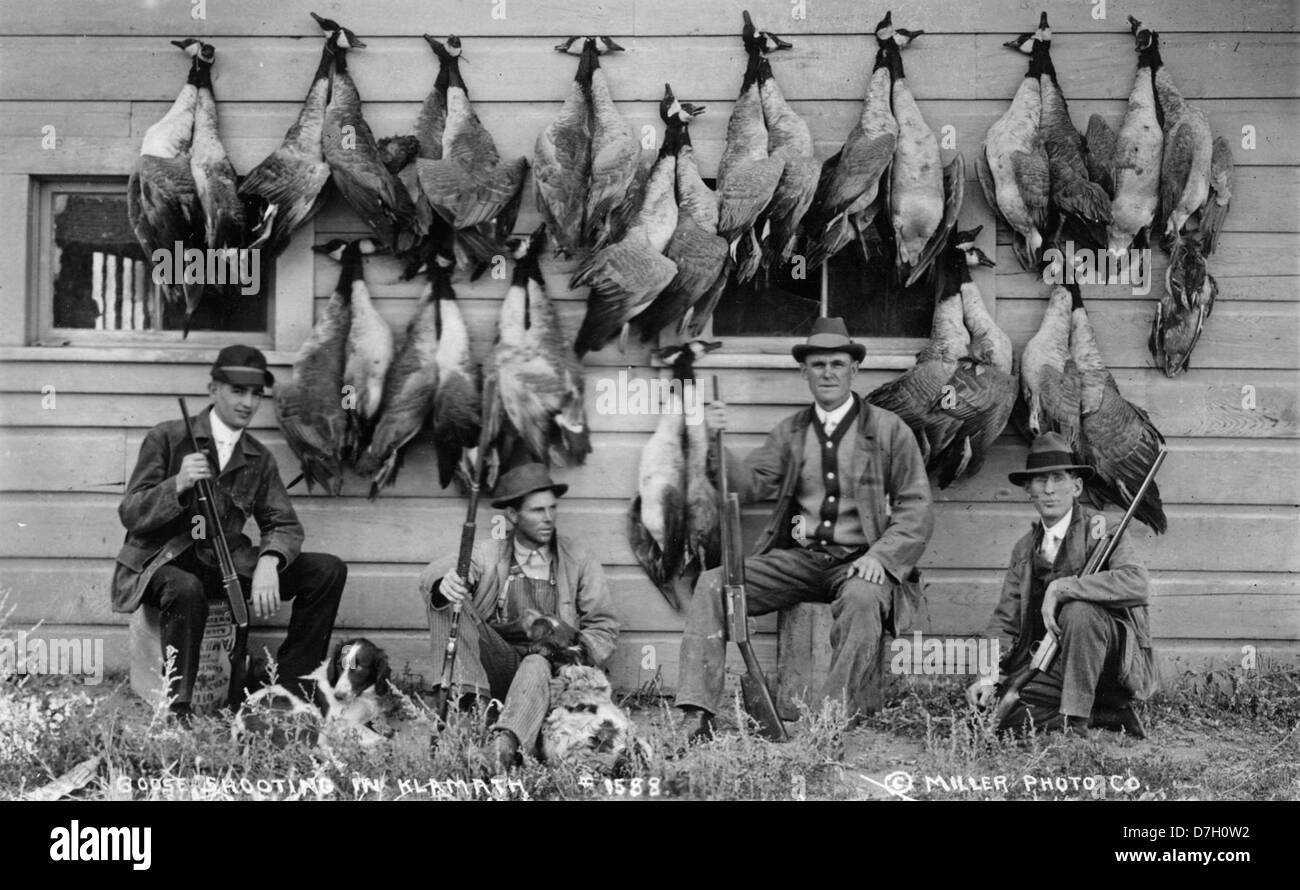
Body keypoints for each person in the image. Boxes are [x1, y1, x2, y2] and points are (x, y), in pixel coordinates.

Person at [678, 317, 934, 739]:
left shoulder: (889, 431)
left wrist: (881, 557)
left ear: (855, 370)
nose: (828, 372)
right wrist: (713, 441)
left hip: (859, 563)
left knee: (864, 602)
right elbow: (747, 485)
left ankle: (827, 724)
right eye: (818, 365)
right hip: (801, 561)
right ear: (804, 372)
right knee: (712, 585)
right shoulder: (792, 432)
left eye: (837, 363)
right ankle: (697, 714)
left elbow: (917, 507)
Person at [112, 345, 347, 722]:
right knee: (185, 589)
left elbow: (283, 523)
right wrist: (178, 484)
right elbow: (132, 513)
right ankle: (180, 709)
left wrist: (270, 561)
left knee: (327, 571)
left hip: (225, 561)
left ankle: (287, 690)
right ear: (213, 390)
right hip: (162, 561)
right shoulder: (167, 438)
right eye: (238, 391)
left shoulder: (257, 456)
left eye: (256, 394)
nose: (249, 403)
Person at [418, 463, 619, 768]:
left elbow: (603, 627)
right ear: (513, 515)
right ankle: (469, 713)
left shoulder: (579, 559)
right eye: (538, 511)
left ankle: (502, 748)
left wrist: (572, 652)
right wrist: (450, 580)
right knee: (447, 602)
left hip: (551, 677)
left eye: (553, 508)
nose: (549, 518)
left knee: (536, 662)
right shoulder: (490, 553)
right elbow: (444, 569)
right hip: (495, 671)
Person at [966, 432, 1156, 737]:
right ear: (1028, 490)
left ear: (1077, 486)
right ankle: (1103, 714)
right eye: (1040, 481)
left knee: (1079, 610)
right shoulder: (1024, 549)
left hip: (1108, 664)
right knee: (991, 718)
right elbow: (1004, 621)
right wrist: (987, 677)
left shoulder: (1104, 529)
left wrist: (1063, 588)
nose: (1050, 489)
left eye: (1058, 478)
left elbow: (1137, 585)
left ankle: (1077, 723)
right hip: (1051, 661)